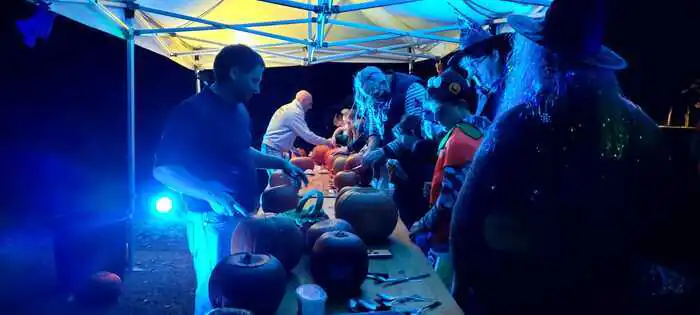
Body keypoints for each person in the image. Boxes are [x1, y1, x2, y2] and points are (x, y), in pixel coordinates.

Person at [449, 1, 676, 314]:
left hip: (523, 294)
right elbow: (668, 215)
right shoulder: (638, 126)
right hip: (607, 294)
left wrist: (459, 288)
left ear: (543, 57)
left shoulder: (520, 123)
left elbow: (467, 216)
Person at [152, 44, 308, 315]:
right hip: (211, 219)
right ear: (234, 72)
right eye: (254, 80)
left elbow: (243, 151)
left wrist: (280, 162)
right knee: (216, 290)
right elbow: (164, 169)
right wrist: (210, 194)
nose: (258, 89)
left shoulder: (238, 110)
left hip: (244, 215)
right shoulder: (192, 111)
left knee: (241, 292)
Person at [407, 69, 485, 263]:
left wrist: (422, 224)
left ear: (461, 105)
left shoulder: (459, 140)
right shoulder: (479, 128)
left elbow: (450, 201)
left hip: (451, 234)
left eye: (439, 110)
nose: (435, 119)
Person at [345, 66, 442, 188]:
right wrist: (370, 152)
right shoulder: (373, 95)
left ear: (382, 81)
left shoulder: (410, 88)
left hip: (416, 161)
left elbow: (416, 131)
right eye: (371, 96)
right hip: (393, 163)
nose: (375, 98)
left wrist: (384, 151)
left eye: (377, 94)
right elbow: (374, 129)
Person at [446, 14, 511, 122]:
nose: (472, 72)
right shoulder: (484, 95)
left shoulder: (516, 84)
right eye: (468, 68)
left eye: (475, 63)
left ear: (495, 55)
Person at [262, 90, 333, 159]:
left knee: (285, 170)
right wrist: (327, 142)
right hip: (273, 149)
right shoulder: (294, 112)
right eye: (310, 104)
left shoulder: (289, 108)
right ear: (303, 101)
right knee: (278, 171)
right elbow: (308, 136)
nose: (310, 107)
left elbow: (283, 133)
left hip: (274, 148)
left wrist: (293, 149)